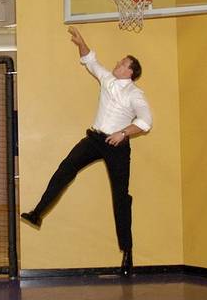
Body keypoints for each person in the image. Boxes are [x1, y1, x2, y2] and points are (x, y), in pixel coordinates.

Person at [21, 27, 152, 277]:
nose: (117, 63)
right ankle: (38, 213)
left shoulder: (136, 95)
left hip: (117, 147)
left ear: (130, 72)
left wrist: (123, 133)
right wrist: (81, 42)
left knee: (121, 197)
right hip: (94, 139)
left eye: (122, 63)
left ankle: (128, 254)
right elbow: (90, 60)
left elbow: (146, 121)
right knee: (65, 169)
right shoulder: (107, 79)